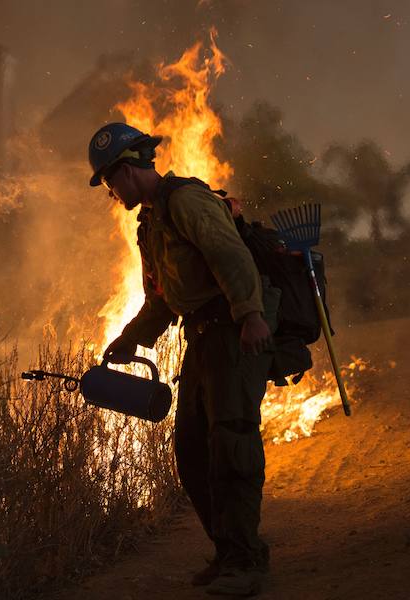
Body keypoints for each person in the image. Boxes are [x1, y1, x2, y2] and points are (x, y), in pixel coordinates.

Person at [88, 122, 277, 597]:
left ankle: (246, 560)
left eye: (110, 182)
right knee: (192, 450)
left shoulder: (186, 201)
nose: (112, 193)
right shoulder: (152, 222)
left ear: (126, 170)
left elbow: (230, 255)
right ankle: (230, 549)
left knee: (230, 441)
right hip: (203, 336)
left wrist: (251, 315)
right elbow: (165, 297)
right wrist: (132, 338)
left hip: (233, 331)